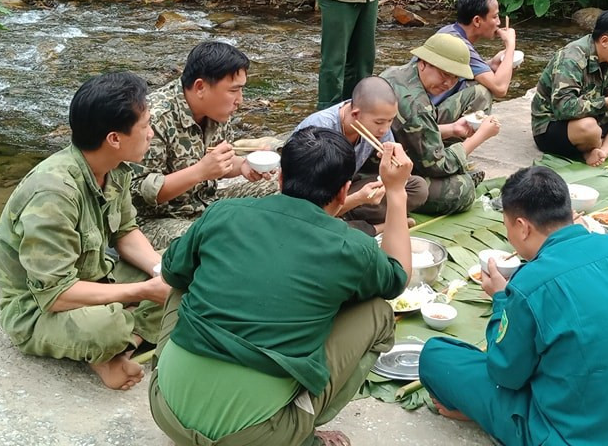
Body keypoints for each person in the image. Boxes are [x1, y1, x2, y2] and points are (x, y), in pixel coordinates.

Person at [148, 128, 415, 446]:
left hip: (165, 409)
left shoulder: (223, 213)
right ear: (345, 191)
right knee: (376, 311)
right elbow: (399, 276)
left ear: (280, 177)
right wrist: (396, 191)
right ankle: (301, 432)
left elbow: (171, 273)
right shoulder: (352, 248)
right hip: (258, 437)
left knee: (183, 276)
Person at [419, 166, 608, 445]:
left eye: (507, 225)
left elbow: (506, 374)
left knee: (436, 355)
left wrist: (502, 300)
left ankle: (486, 413)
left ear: (523, 227)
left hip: (562, 436)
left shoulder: (530, 285)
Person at [0, 72, 170, 390]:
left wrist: (161, 273)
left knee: (185, 274)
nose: (152, 134)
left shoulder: (113, 168)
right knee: (108, 327)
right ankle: (113, 345)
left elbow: (126, 232)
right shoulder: (53, 192)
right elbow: (56, 295)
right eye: (145, 127)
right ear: (114, 138)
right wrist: (143, 292)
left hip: (95, 278)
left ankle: (121, 351)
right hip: (38, 307)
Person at [131, 41, 277, 247]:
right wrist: (200, 172)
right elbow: (137, 192)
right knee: (219, 240)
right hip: (155, 221)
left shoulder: (216, 112)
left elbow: (218, 162)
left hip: (207, 205)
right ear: (200, 87)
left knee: (280, 188)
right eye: (233, 90)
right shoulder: (154, 119)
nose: (240, 100)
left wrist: (243, 165)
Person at [292, 76, 430, 235]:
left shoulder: (375, 125)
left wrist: (395, 176)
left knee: (416, 187)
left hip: (345, 190)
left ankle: (342, 221)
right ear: (356, 114)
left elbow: (393, 170)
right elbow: (306, 202)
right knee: (312, 225)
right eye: (379, 123)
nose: (385, 130)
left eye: (390, 121)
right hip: (313, 200)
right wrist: (359, 198)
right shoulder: (320, 130)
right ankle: (374, 228)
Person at [381, 33, 502, 215]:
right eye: (444, 74)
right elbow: (437, 166)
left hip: (402, 143)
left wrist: (453, 129)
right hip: (385, 172)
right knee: (464, 190)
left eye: (455, 78)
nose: (449, 83)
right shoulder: (416, 105)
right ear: (423, 62)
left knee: (480, 93)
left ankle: (452, 160)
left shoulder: (396, 72)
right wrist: (479, 136)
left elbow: (413, 129)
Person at [531, 9, 608, 166]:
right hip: (552, 126)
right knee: (589, 127)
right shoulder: (572, 59)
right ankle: (606, 142)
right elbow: (563, 108)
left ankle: (602, 151)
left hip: (591, 116)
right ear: (605, 41)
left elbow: (604, 94)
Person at [426, 0, 518, 108]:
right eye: (495, 17)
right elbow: (500, 88)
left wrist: (491, 64)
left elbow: (462, 73)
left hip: (419, 107)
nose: (498, 22)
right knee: (481, 92)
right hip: (422, 114)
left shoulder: (448, 31)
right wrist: (510, 45)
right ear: (477, 21)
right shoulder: (458, 44)